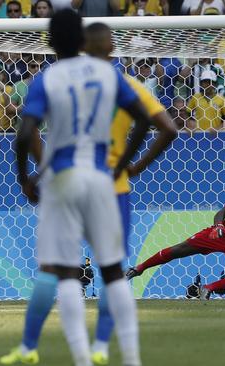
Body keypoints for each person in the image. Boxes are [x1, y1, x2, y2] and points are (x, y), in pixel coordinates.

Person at [0, 11, 152, 366]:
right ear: (83, 41)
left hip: (62, 179)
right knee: (113, 271)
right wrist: (122, 162)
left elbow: (24, 134)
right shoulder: (107, 73)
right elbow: (144, 119)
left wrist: (25, 178)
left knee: (65, 271)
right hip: (101, 178)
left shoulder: (46, 79)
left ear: (49, 42)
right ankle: (131, 359)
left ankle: (82, 359)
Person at [84, 22, 177, 366]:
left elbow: (34, 132)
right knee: (112, 271)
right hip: (115, 188)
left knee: (60, 269)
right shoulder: (129, 85)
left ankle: (82, 350)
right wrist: (133, 166)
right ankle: (122, 353)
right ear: (111, 49)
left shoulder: (66, 84)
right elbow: (168, 128)